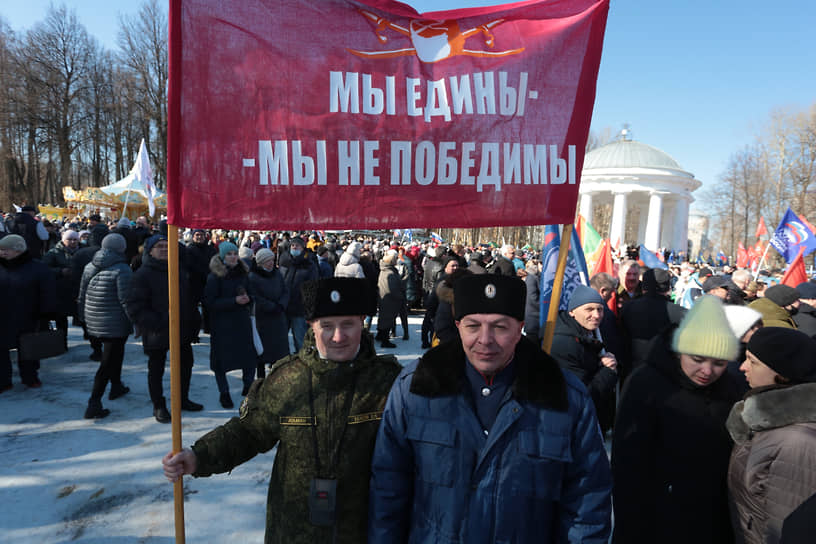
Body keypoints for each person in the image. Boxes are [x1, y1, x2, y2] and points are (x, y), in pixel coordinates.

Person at [369, 274, 612, 542]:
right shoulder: (418, 387)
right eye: (473, 326)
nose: (485, 340)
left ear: (519, 328)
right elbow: (388, 490)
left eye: (499, 327)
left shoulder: (562, 395)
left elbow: (587, 502)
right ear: (458, 325)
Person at [162, 277, 402, 544]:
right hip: (294, 529)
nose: (338, 336)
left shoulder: (389, 382)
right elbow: (249, 432)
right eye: (327, 326)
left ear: (362, 322)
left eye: (348, 324)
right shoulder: (288, 378)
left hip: (364, 529)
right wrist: (199, 456)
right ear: (312, 325)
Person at [611, 295, 742, 544]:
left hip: (713, 519)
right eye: (697, 359)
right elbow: (627, 464)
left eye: (719, 363)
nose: (707, 371)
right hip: (657, 518)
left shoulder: (732, 388)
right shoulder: (646, 383)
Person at [727, 327, 816, 544]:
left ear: (783, 373)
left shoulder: (798, 443)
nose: (742, 367)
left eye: (752, 361)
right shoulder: (763, 419)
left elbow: (790, 530)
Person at [126, 235, 203, 423]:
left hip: (182, 330)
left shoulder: (179, 270)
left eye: (167, 246)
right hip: (156, 331)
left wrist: (193, 321)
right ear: (150, 250)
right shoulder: (142, 274)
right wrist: (160, 321)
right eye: (159, 246)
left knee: (185, 366)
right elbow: (135, 307)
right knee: (156, 369)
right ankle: (158, 405)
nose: (164, 249)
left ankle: (182, 399)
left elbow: (189, 299)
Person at [78, 233, 133, 418]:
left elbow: (82, 293)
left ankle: (116, 385)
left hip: (93, 319)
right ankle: (94, 402)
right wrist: (136, 322)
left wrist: (82, 318)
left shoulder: (89, 265)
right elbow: (126, 300)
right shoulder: (122, 269)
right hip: (114, 322)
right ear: (122, 248)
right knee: (107, 362)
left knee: (114, 355)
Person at [551, 285, 619, 433]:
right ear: (572, 312)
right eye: (589, 309)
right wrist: (608, 371)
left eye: (600, 309)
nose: (596, 315)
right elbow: (582, 395)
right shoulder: (564, 344)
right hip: (573, 427)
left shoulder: (589, 332)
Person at [203, 241, 257, 409]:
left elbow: (252, 293)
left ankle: (248, 386)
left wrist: (249, 299)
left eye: (235, 254)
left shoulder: (244, 273)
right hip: (222, 325)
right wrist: (233, 301)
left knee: (248, 357)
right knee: (221, 361)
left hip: (241, 321)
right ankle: (224, 392)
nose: (233, 257)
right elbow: (209, 302)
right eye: (229, 254)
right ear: (222, 256)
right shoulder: (214, 276)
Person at [0, 235, 56, 391]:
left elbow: (48, 292)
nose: (2, 253)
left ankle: (30, 377)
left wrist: (47, 313)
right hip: (2, 316)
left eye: (5, 250)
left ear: (18, 250)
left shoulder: (38, 268)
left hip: (29, 316)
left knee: (28, 349)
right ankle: (3, 380)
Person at [248, 248, 290, 379]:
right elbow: (255, 297)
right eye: (267, 261)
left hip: (278, 317)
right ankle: (260, 379)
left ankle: (276, 377)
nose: (271, 263)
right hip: (263, 319)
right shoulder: (253, 277)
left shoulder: (277, 274)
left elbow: (285, 291)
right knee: (262, 352)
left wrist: (281, 304)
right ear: (260, 263)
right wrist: (271, 306)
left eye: (272, 260)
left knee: (279, 352)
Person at [279, 236, 319, 352]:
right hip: (284, 306)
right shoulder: (284, 261)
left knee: (300, 339)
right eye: (292, 245)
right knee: (281, 338)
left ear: (303, 248)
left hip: (299, 308)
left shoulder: (309, 265)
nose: (294, 247)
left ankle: (301, 362)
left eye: (297, 245)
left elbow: (312, 287)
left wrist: (308, 305)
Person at [42, 229, 81, 348]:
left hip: (78, 288)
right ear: (63, 240)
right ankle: (61, 343)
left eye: (75, 239)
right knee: (61, 318)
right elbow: (44, 269)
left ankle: (94, 344)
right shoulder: (53, 252)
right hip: (61, 289)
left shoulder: (83, 250)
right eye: (70, 239)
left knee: (82, 316)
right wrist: (60, 271)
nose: (73, 242)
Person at [375, 250, 403, 349]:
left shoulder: (385, 269)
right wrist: (400, 296)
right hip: (389, 299)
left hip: (385, 297)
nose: (397, 260)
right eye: (396, 258)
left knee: (384, 318)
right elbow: (393, 288)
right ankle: (385, 340)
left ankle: (380, 335)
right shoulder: (389, 272)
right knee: (387, 319)